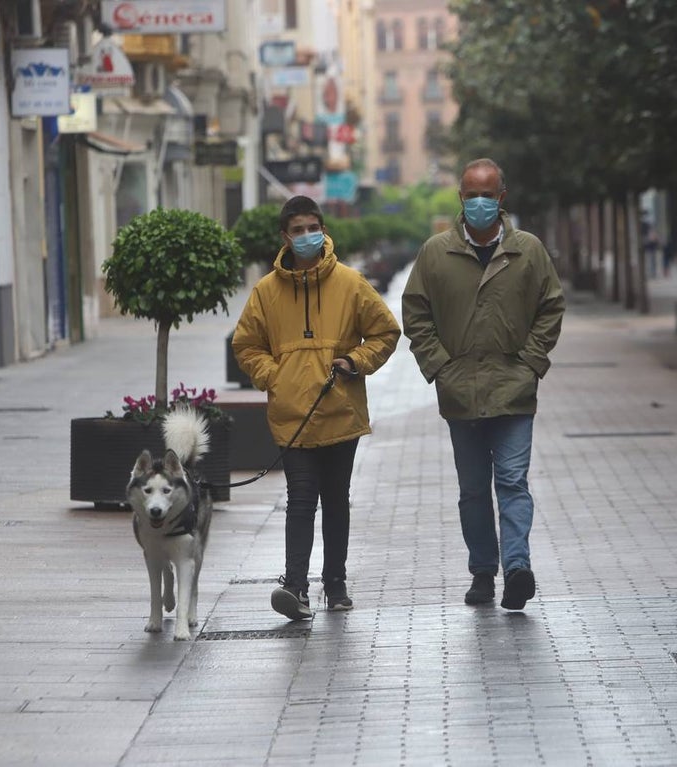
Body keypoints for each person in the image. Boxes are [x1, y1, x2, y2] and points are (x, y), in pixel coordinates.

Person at [401, 159, 565, 611]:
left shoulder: (528, 250)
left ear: (501, 197)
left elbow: (551, 307)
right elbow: (415, 313)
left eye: (487, 195)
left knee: (512, 481)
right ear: (460, 197)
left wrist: (531, 360)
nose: (479, 203)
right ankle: (482, 572)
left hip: (514, 390)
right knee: (473, 491)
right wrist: (440, 366)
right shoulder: (436, 253)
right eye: (471, 194)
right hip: (461, 393)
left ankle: (517, 568)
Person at [232, 195, 400, 620]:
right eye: (298, 229)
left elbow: (385, 331)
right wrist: (276, 377)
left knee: (336, 499)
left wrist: (354, 362)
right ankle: (295, 587)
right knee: (301, 499)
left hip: (340, 412)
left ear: (323, 230)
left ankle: (336, 584)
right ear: (284, 236)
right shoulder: (266, 292)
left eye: (314, 227)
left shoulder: (350, 282)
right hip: (293, 416)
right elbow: (247, 345)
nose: (307, 236)